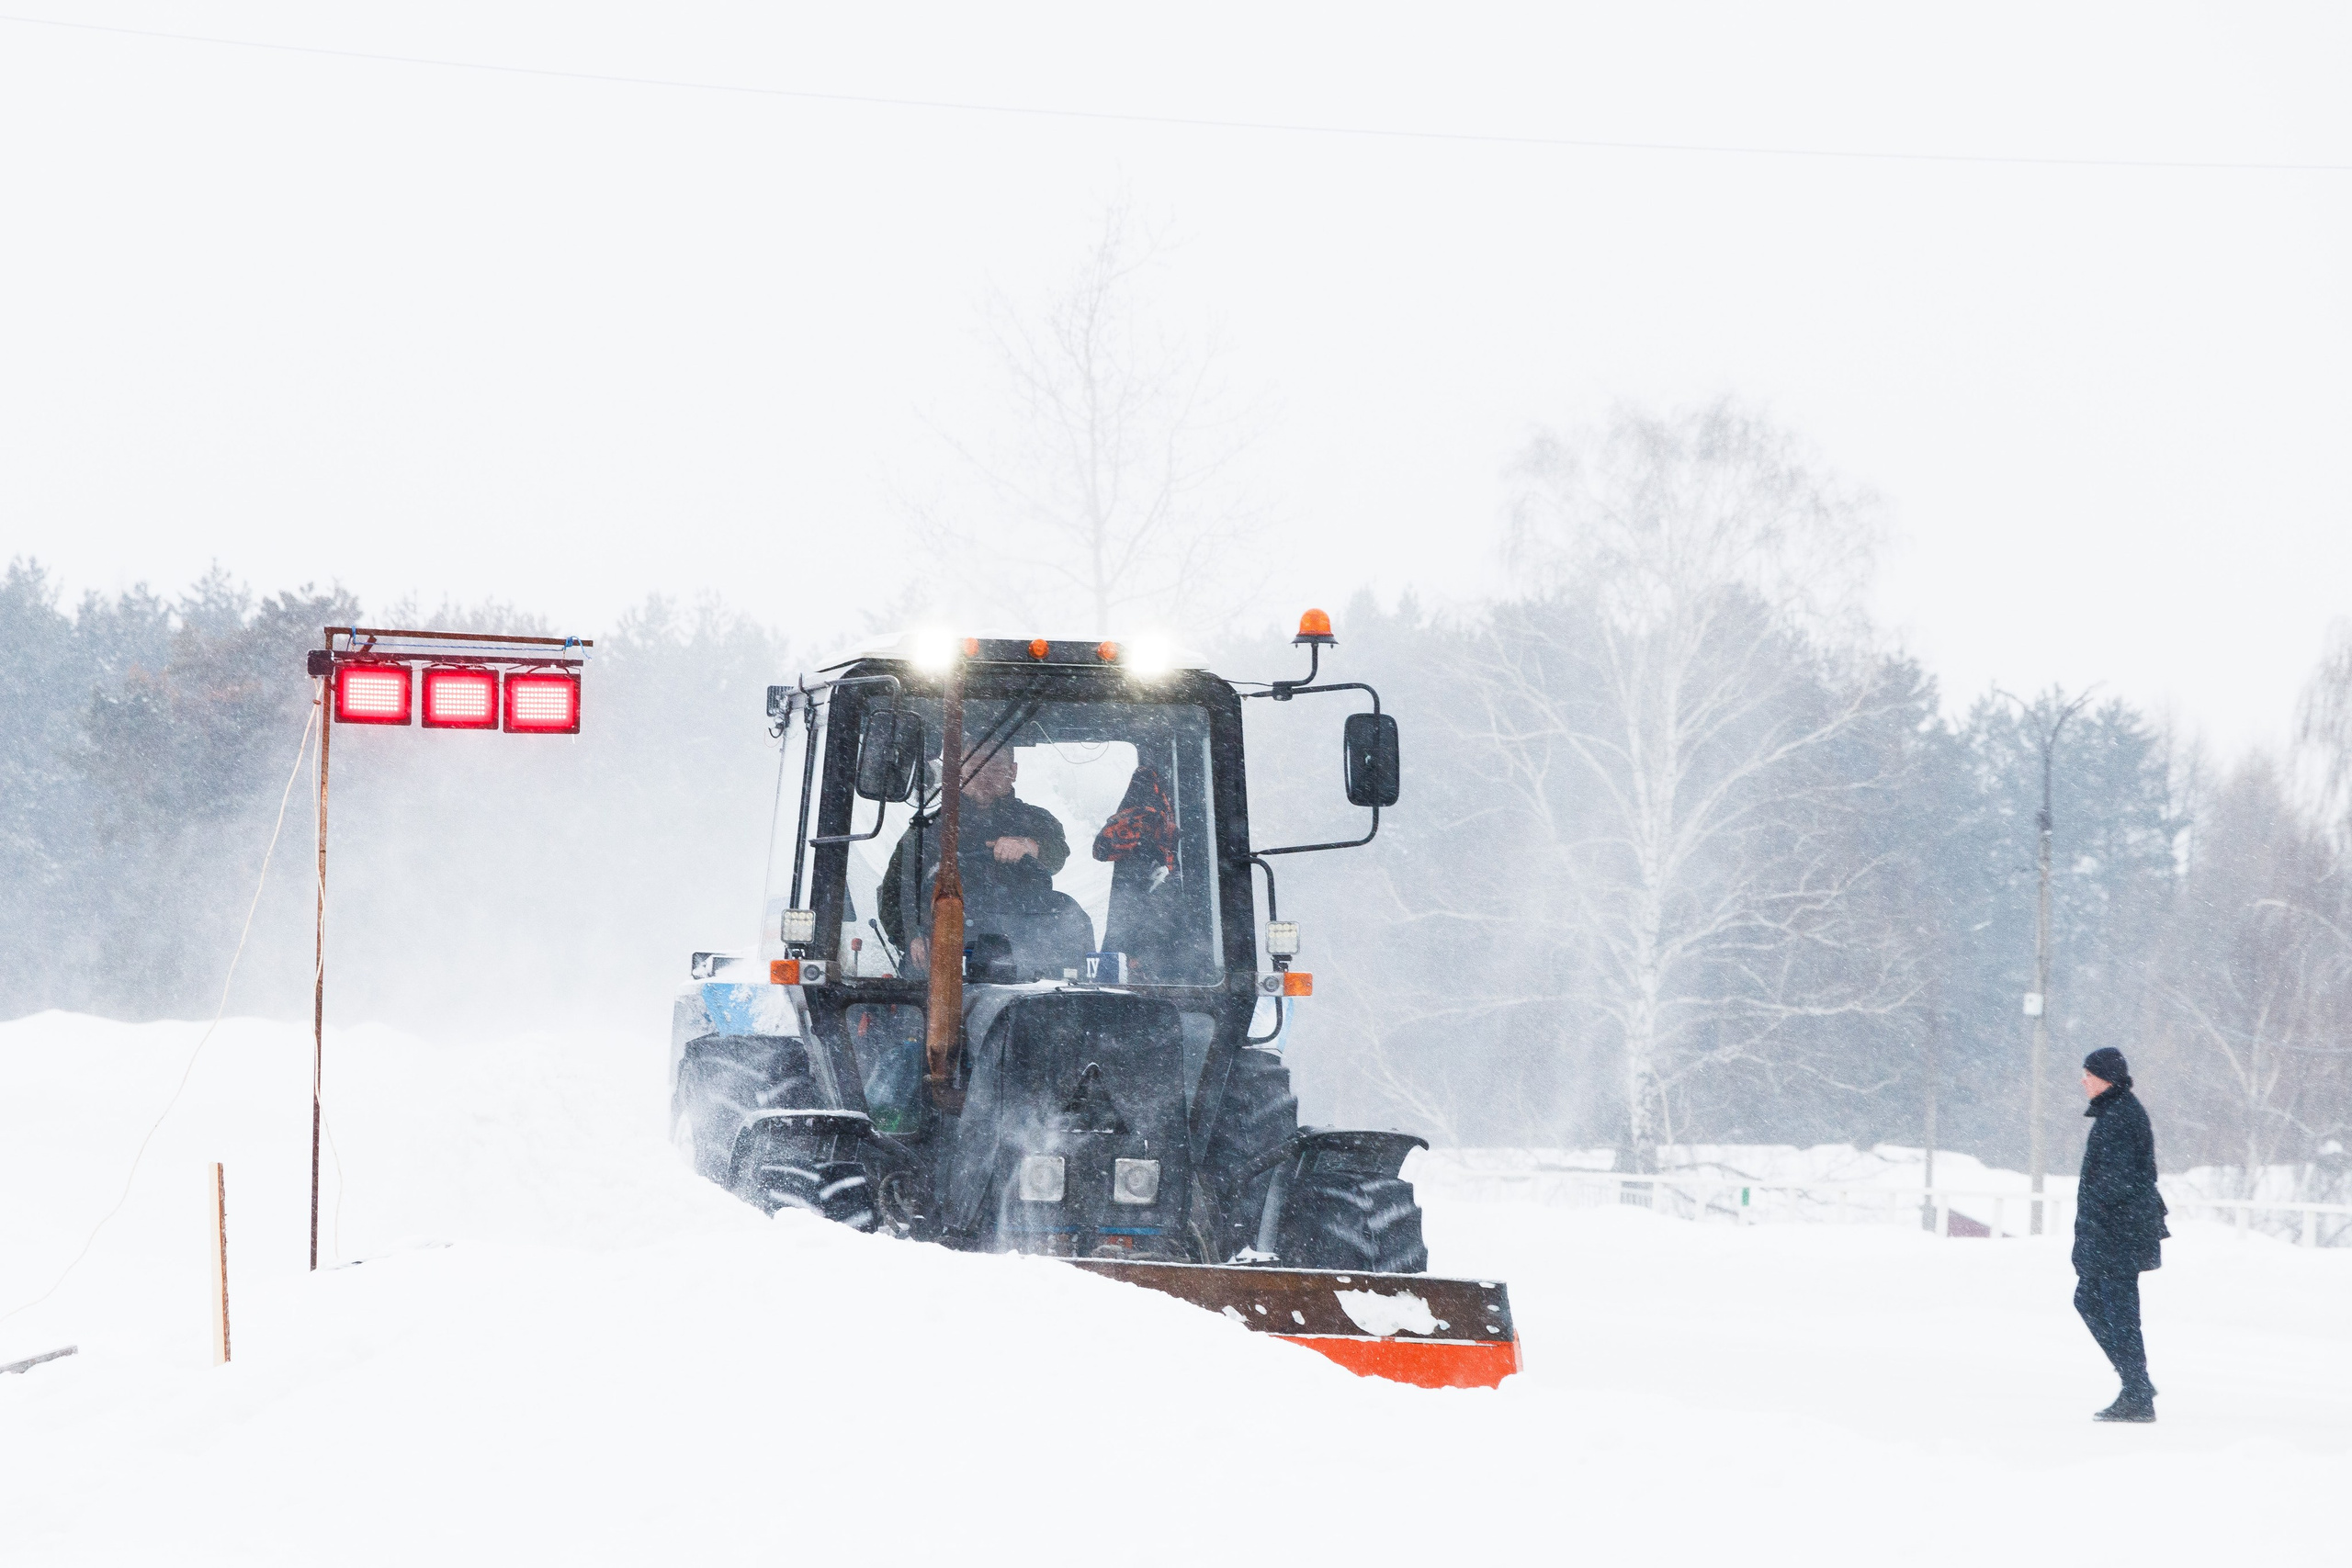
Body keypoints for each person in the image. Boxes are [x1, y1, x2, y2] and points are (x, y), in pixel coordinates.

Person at [876, 741, 1091, 979]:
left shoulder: (1038, 821)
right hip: (946, 952)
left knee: (1070, 914)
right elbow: (895, 893)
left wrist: (1029, 846)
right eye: (976, 765)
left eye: (996, 765)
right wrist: (913, 937)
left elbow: (1056, 854)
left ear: (1014, 771)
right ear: (958, 771)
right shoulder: (928, 829)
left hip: (1027, 951)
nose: (985, 773)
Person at [2074, 1045, 2170, 1423]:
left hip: (2118, 1235)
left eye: (2087, 1074)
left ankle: (2137, 1391)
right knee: (2092, 1301)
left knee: (2119, 1313)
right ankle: (2136, 1382)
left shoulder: (2119, 1117)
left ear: (2105, 1079)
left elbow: (2117, 1182)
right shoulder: (2116, 1113)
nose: (2082, 1081)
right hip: (2113, 1234)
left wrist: (2098, 1221)